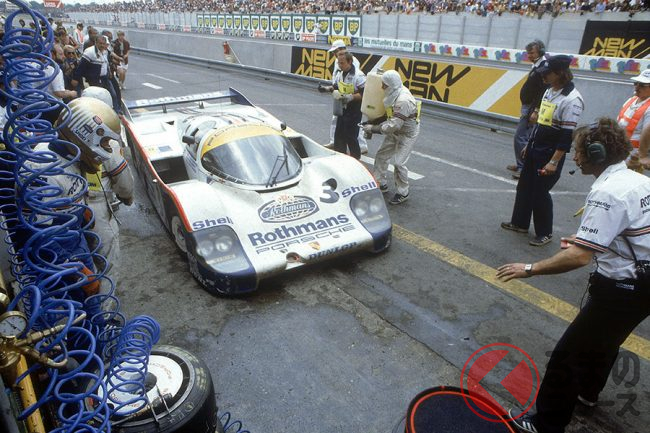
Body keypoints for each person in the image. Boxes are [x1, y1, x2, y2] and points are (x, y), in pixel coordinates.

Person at [497, 118, 650, 433]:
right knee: (606, 341)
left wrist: (530, 269)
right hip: (643, 285)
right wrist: (589, 240)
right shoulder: (637, 180)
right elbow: (628, 231)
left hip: (622, 289)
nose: (575, 157)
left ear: (596, 154)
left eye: (578, 151)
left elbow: (580, 257)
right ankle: (588, 394)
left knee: (567, 357)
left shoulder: (607, 192)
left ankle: (546, 424)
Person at [501, 55, 584, 246]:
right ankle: (519, 223)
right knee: (524, 187)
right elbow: (540, 123)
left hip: (549, 152)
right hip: (535, 146)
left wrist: (553, 161)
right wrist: (528, 144)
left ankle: (545, 233)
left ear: (560, 73)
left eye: (547, 73)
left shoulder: (572, 99)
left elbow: (566, 135)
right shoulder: (549, 91)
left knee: (540, 192)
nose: (543, 76)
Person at [363, 70, 420, 205]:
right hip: (396, 130)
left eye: (384, 85)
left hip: (406, 134)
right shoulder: (394, 92)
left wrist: (373, 128)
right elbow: (389, 114)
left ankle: (403, 192)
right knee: (381, 155)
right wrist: (373, 120)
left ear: (391, 85)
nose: (382, 87)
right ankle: (380, 183)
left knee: (399, 163)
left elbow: (394, 125)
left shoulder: (403, 100)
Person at [509, 40, 548, 179]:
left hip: (532, 108)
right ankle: (520, 164)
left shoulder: (543, 67)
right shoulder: (537, 65)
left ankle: (523, 167)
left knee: (521, 137)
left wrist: (536, 110)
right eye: (528, 53)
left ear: (540, 52)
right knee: (524, 137)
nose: (529, 55)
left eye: (532, 53)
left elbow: (543, 91)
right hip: (528, 106)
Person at [326, 40, 368, 154]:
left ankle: (358, 152)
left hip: (353, 108)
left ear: (349, 62)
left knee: (351, 135)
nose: (339, 65)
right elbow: (336, 84)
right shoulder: (340, 71)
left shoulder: (358, 74)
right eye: (339, 63)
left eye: (342, 63)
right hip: (342, 104)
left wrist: (351, 97)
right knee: (339, 133)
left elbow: (364, 92)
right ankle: (339, 153)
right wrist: (327, 88)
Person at [73, 35, 121, 113]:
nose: (102, 45)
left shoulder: (106, 51)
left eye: (103, 43)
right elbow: (81, 66)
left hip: (105, 78)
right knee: (98, 97)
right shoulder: (89, 52)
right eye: (100, 43)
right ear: (96, 43)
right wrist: (75, 78)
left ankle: (116, 112)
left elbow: (106, 62)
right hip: (94, 79)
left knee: (113, 94)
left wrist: (109, 72)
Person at [617, 68, 650, 171]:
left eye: (642, 85)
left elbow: (648, 131)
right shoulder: (631, 100)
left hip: (633, 157)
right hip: (619, 151)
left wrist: (643, 155)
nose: (637, 87)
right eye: (636, 83)